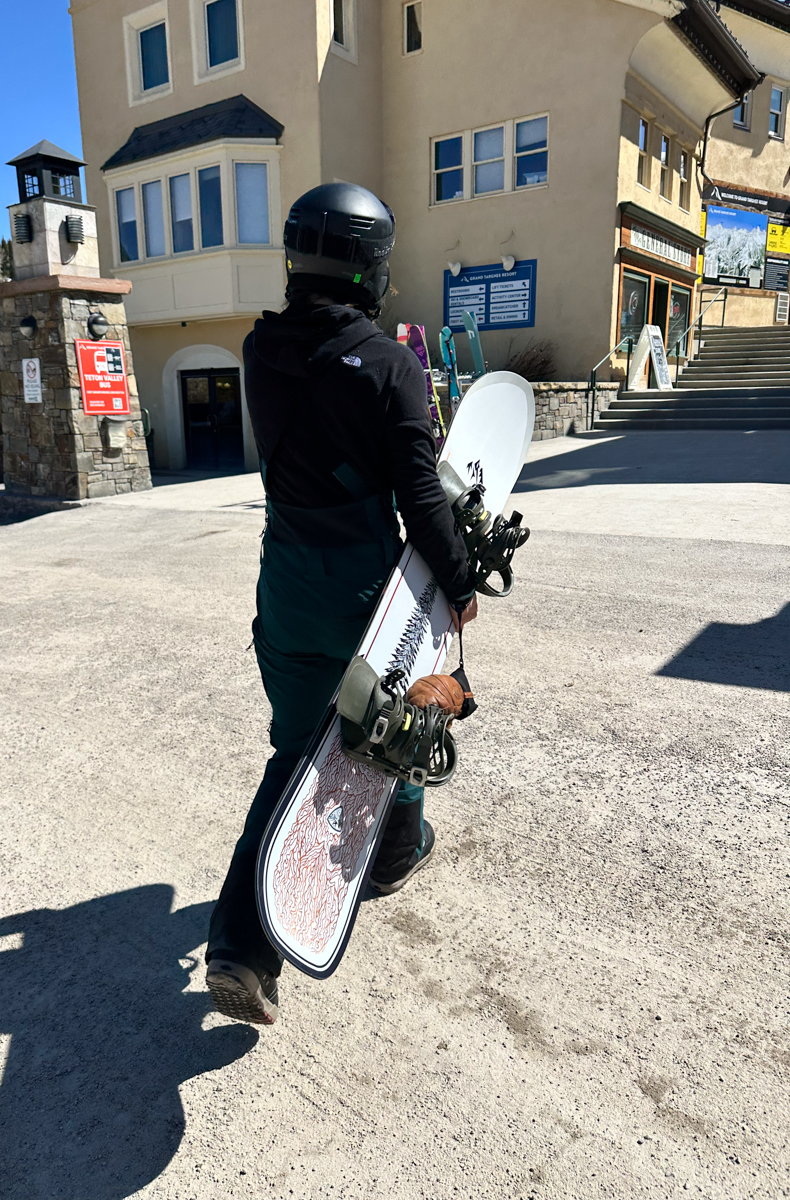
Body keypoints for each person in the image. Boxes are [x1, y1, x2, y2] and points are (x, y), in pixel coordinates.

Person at [205, 182, 477, 1025]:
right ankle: (384, 859)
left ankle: (251, 941)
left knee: (298, 752)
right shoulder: (393, 366)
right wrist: (461, 586)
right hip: (367, 595)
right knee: (388, 738)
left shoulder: (258, 352)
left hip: (286, 585)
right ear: (373, 266)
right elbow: (424, 499)